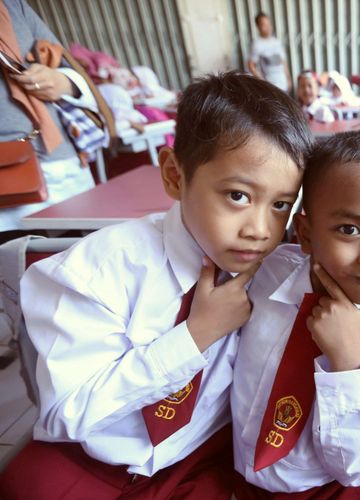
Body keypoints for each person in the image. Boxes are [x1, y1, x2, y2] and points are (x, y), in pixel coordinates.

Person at [0, 71, 313, 499]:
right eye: (238, 195)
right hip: (99, 458)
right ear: (174, 175)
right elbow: (65, 414)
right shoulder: (93, 274)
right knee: (26, 485)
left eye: (280, 205)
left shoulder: (275, 272)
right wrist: (194, 337)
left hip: (201, 453)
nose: (260, 230)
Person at [232, 131, 360, 496]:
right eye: (349, 229)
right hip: (235, 477)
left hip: (327, 490)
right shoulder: (261, 275)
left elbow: (355, 468)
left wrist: (348, 364)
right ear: (304, 232)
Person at [0, 0, 100, 233]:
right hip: (7, 188)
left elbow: (70, 69)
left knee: (85, 252)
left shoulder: (14, 6)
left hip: (63, 167)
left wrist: (60, 82)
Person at [247, 11, 291, 93]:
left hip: (283, 84)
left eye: (268, 24)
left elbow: (283, 62)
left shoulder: (276, 42)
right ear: (258, 26)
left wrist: (288, 79)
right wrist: (262, 81)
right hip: (271, 86)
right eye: (264, 24)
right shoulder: (257, 44)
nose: (268, 27)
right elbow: (251, 65)